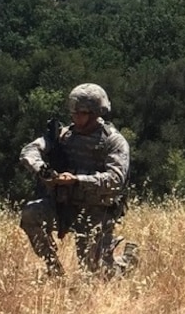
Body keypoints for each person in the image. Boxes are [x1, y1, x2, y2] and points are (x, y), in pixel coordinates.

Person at [19, 83, 137, 277]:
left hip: (96, 209)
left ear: (95, 113)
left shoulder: (112, 141)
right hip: (63, 204)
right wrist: (43, 170)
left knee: (95, 272)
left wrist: (77, 179)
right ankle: (54, 269)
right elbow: (29, 151)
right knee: (30, 214)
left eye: (80, 112)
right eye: (73, 111)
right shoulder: (64, 135)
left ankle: (128, 262)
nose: (75, 116)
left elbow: (116, 179)